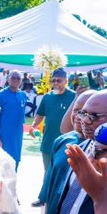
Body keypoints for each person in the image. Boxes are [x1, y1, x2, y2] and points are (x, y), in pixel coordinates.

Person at [31, 69, 76, 206]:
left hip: (68, 141)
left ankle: (61, 199)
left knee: (65, 171)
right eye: (53, 80)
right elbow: (40, 114)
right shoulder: (47, 97)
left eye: (59, 80)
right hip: (48, 141)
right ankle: (44, 198)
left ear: (66, 81)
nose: (55, 83)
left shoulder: (74, 96)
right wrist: (33, 126)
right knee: (47, 170)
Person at [0, 70, 27, 169]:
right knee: (4, 161)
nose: (16, 80)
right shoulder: (0, 95)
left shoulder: (23, 95)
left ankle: (13, 178)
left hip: (17, 134)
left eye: (18, 78)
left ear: (21, 81)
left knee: (16, 160)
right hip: (4, 134)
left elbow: (22, 118)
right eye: (13, 78)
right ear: (8, 79)